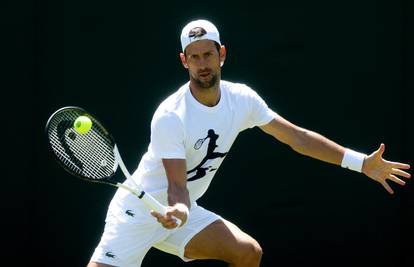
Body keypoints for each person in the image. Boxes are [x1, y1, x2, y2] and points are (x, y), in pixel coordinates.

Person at [87, 19, 411, 267]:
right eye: (194, 57)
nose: (202, 64)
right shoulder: (171, 116)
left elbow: (296, 137)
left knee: (247, 253)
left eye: (208, 55)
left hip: (179, 215)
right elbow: (177, 187)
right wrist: (180, 210)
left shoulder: (242, 99)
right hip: (141, 214)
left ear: (222, 54)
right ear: (184, 61)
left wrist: (361, 163)